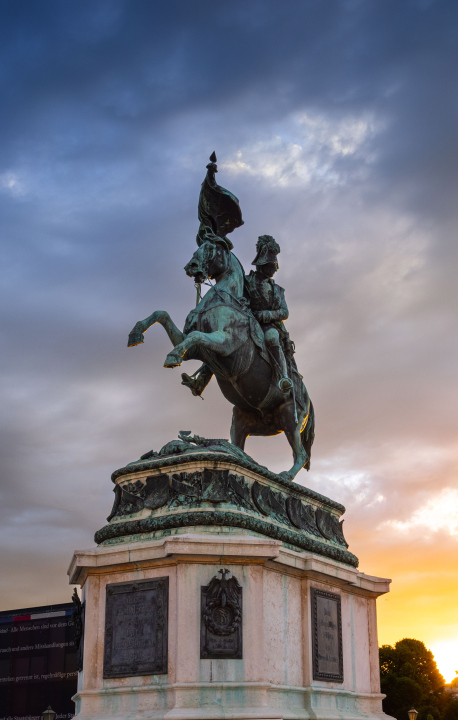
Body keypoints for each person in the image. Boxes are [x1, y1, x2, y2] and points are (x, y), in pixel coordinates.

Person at [181, 235, 293, 398]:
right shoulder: (247, 281)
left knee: (272, 337)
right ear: (264, 264)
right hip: (245, 321)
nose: (275, 268)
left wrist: (265, 315)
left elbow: (284, 312)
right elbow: (236, 288)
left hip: (267, 326)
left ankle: (283, 378)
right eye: (272, 264)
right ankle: (200, 382)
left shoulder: (278, 291)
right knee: (221, 343)